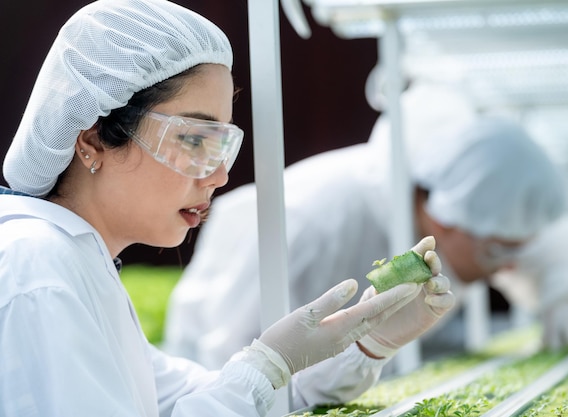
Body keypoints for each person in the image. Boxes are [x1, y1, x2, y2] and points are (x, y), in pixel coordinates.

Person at [0, 0, 456, 415]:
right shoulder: (40, 267)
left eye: (221, 146)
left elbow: (205, 397)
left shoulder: (76, 261)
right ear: (93, 139)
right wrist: (268, 363)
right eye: (194, 139)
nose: (218, 176)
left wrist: (368, 345)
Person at [164, 83, 568, 373]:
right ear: (443, 217)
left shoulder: (463, 206)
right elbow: (228, 364)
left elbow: (559, 252)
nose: (508, 266)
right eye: (497, 251)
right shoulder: (316, 223)